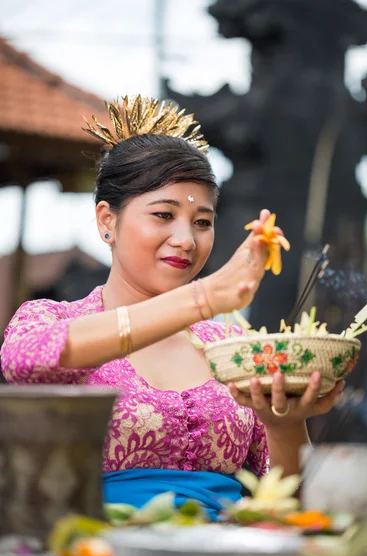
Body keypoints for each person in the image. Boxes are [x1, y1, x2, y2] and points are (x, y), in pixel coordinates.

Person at [0, 95, 343, 520]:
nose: (187, 239)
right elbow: (25, 360)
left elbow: (287, 506)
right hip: (96, 554)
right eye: (164, 215)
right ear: (108, 220)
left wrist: (285, 423)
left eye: (203, 222)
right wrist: (202, 299)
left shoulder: (234, 349)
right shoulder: (50, 320)